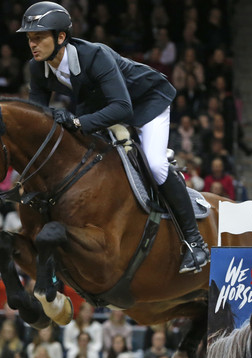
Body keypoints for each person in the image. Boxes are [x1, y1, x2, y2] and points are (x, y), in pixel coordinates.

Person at [17, 1, 208, 273]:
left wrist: (76, 121)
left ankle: (195, 243)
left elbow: (122, 107)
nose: (32, 44)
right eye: (29, 39)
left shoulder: (95, 56)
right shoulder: (37, 68)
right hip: (102, 109)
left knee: (154, 164)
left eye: (38, 38)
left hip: (145, 104)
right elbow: (39, 117)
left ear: (60, 37)